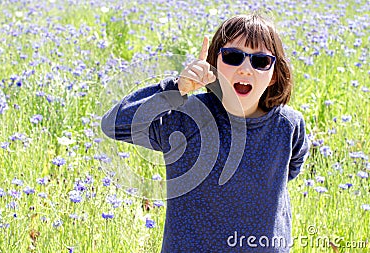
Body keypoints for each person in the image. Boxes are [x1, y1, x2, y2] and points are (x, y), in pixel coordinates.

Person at [101, 13, 310, 253]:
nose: (245, 69)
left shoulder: (288, 125)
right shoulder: (186, 117)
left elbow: (290, 170)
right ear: (213, 65)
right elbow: (114, 124)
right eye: (233, 57)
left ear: (273, 75)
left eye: (260, 61)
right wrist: (175, 89)